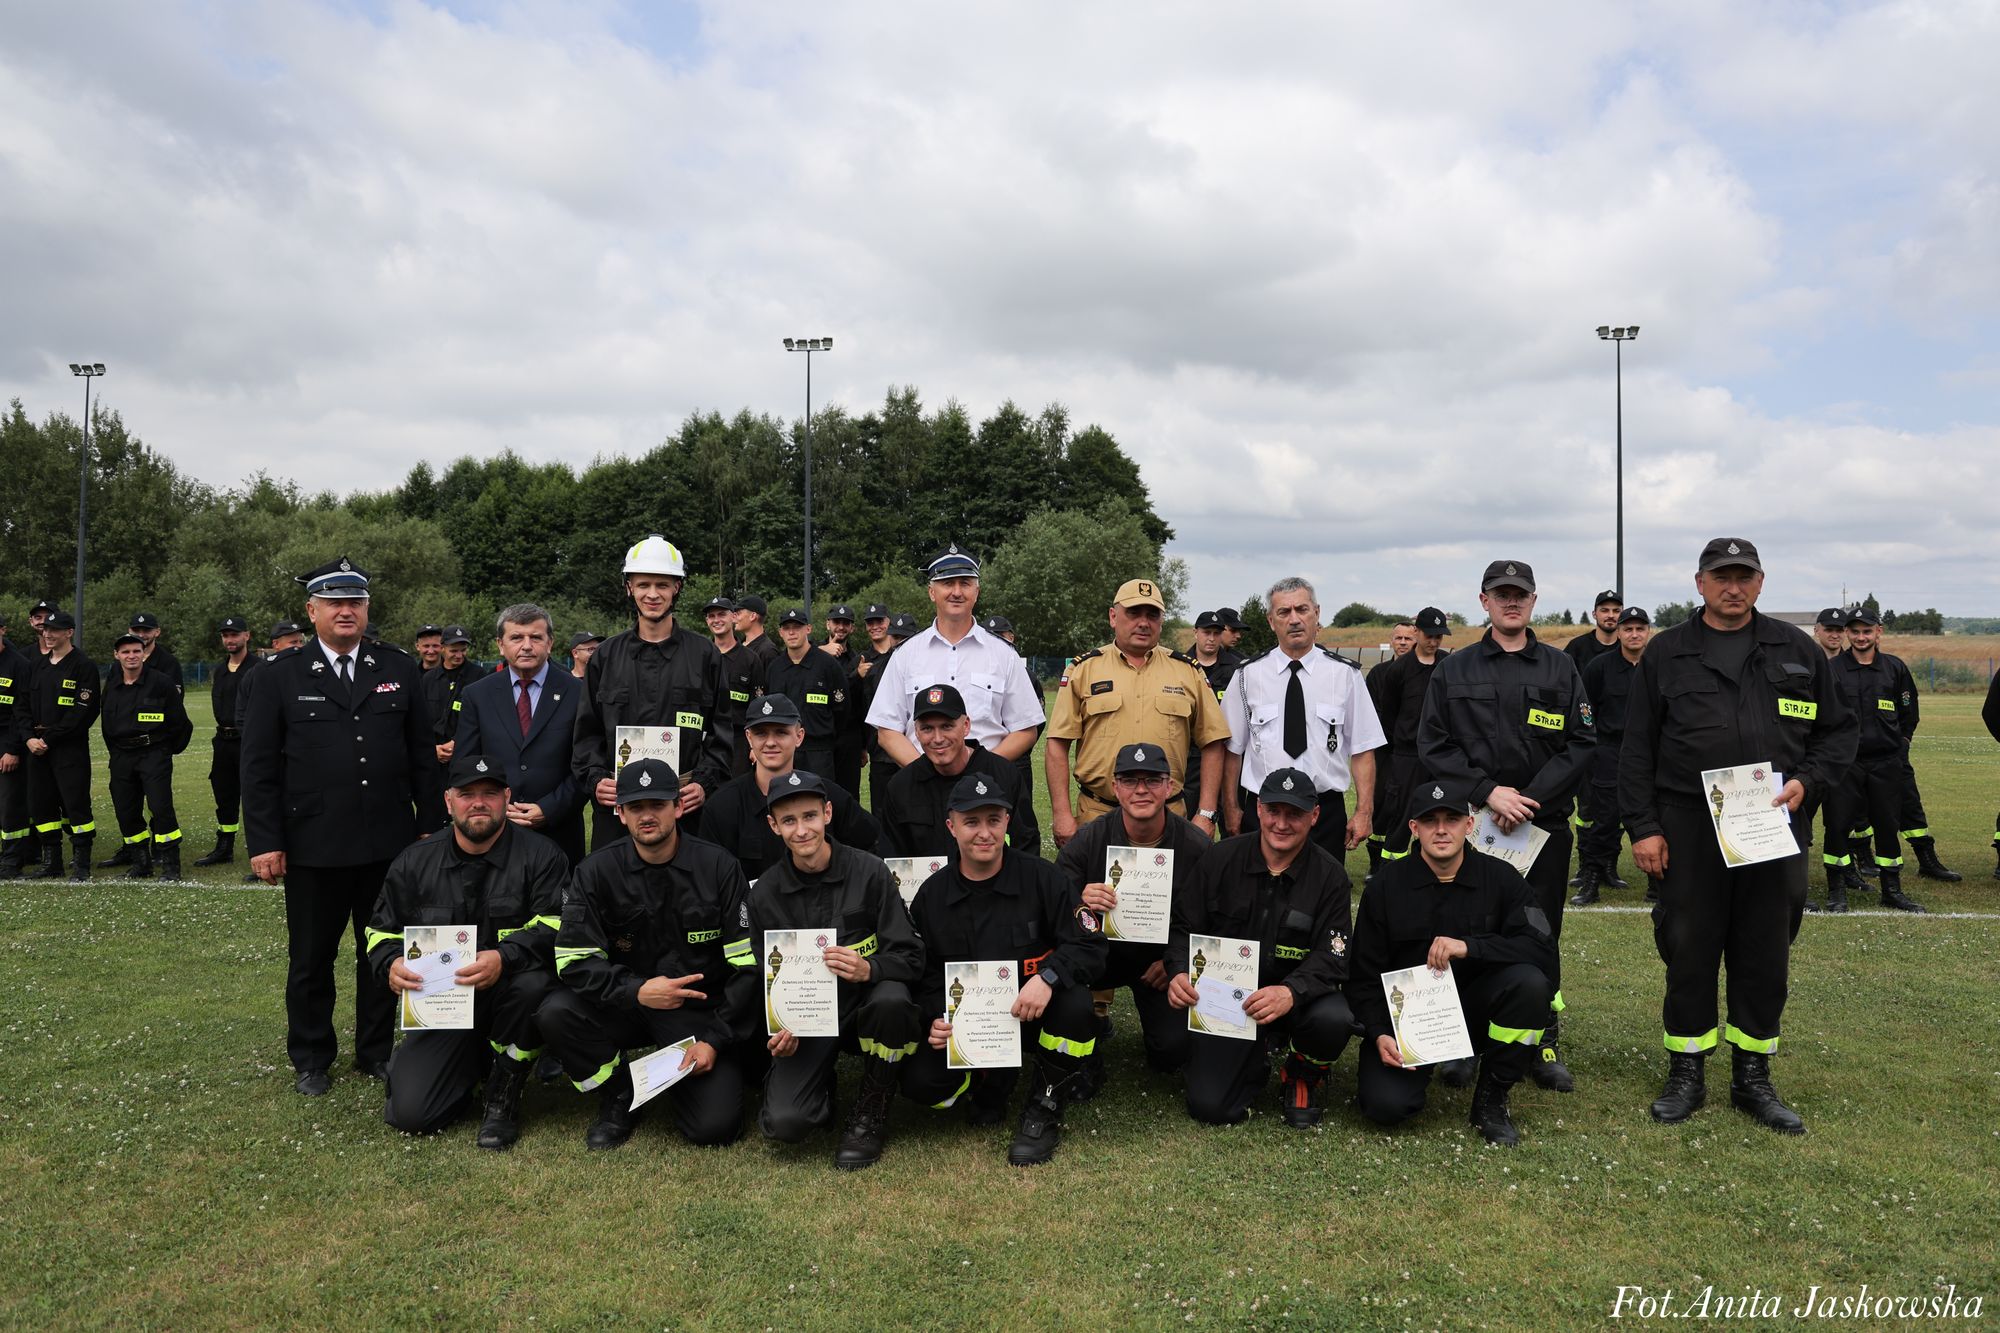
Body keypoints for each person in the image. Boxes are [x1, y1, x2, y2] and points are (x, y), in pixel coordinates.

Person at [1621, 538, 1856, 1135]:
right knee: (1689, 947)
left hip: (1773, 822)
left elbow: (1836, 734)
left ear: (1760, 582)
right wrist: (1644, 828)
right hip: (1688, 824)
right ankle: (1687, 1071)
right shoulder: (1667, 653)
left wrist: (1809, 780)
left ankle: (1753, 1077)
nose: (1733, 586)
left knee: (1764, 951)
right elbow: (1636, 749)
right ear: (1699, 583)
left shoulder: (1797, 650)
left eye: (1743, 577)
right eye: (1721, 576)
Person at [241, 556, 434, 1096]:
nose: (345, 611)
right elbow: (257, 767)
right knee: (310, 958)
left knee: (382, 951)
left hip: (387, 841)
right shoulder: (278, 674)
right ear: (312, 611)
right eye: (333, 603)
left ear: (367, 609)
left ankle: (374, 1052)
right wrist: (265, 842)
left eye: (355, 602)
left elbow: (422, 755)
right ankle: (310, 1057)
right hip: (313, 845)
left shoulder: (397, 667)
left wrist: (428, 827)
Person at [1417, 559, 1595, 1093]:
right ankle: (1464, 1040)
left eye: (1520, 594)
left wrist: (1530, 799)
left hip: (1541, 831)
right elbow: (1434, 743)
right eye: (1501, 593)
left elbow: (1582, 744)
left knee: (1539, 934)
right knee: (1468, 930)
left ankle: (1541, 1040)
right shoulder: (1455, 669)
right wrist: (1486, 792)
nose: (1511, 601)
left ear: (1534, 601)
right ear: (1484, 601)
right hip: (1474, 826)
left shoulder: (1561, 670)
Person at [540, 757, 755, 1150]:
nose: (647, 816)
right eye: (636, 807)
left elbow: (747, 968)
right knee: (556, 1012)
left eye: (657, 804)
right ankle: (621, 1093)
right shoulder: (594, 872)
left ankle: (680, 1076)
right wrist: (636, 990)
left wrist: (714, 1041)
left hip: (698, 1012)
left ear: (678, 806)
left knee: (714, 1128)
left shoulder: (720, 867)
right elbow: (573, 960)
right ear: (619, 813)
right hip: (626, 1005)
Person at [898, 774, 1105, 1166]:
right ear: (951, 826)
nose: (984, 833)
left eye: (993, 819)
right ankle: (987, 1080)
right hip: (969, 1024)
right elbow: (922, 973)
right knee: (922, 1085)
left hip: (1034, 1013)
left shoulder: (1044, 878)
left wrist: (1048, 978)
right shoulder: (932, 896)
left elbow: (1090, 945)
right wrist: (935, 1017)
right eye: (971, 822)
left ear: (1008, 822)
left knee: (1076, 1004)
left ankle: (1045, 1103)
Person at [364, 753, 569, 1147]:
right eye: (466, 793)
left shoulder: (542, 856)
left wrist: (503, 958)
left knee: (534, 987)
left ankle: (503, 1089)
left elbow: (558, 925)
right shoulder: (414, 862)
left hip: (512, 997)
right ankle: (468, 1065)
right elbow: (379, 932)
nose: (478, 802)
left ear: (507, 798)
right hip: (444, 1004)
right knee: (413, 1114)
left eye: (490, 793)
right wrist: (391, 963)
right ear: (448, 801)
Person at [1349, 777, 1558, 1146]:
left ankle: (1492, 1096)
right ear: (1414, 828)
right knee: (1387, 1107)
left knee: (1530, 984)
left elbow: (1541, 951)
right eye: (1430, 821)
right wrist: (1380, 1031)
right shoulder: (1385, 887)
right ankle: (1418, 1069)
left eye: (1451, 819)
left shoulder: (1503, 879)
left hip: (1478, 1014)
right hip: (1410, 1023)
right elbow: (1363, 973)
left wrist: (1471, 947)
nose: (1441, 830)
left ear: (1470, 824)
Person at [745, 770, 924, 1168]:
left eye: (809, 816)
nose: (802, 829)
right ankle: (816, 1088)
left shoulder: (871, 872)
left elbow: (911, 956)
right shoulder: (763, 895)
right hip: (806, 1020)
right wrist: (779, 1026)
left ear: (827, 813)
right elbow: (762, 978)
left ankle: (871, 1109)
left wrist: (870, 969)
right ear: (774, 826)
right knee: (786, 1124)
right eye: (789, 821)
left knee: (893, 1000)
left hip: (866, 1006)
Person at [1166, 767, 1355, 1128]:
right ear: (1259, 810)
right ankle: (1251, 1056)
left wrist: (1290, 991)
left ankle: (1302, 1074)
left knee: (1334, 1018)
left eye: (1295, 814)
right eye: (1273, 811)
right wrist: (1177, 969)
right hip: (1230, 1002)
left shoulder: (1330, 878)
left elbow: (1333, 957)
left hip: (1294, 999)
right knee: (1212, 1108)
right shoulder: (1220, 859)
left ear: (1314, 816)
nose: (1281, 823)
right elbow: (1183, 927)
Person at [1056, 743, 1208, 1091]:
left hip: (1157, 966)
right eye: (1130, 780)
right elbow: (1051, 899)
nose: (1141, 790)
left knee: (1172, 1052)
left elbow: (1213, 917)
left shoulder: (1195, 847)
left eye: (1152, 780)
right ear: (1115, 787)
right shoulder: (1089, 839)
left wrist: (1176, 962)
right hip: (1099, 956)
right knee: (1069, 999)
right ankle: (1087, 1032)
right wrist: (1079, 899)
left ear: (1169, 787)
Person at [570, 535, 734, 848]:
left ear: (677, 588)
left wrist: (704, 782)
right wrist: (594, 780)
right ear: (628, 587)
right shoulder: (604, 657)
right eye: (643, 584)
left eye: (662, 584)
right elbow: (586, 733)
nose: (653, 594)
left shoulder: (705, 656)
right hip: (618, 813)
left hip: (685, 811)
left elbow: (721, 733)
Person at [1047, 578, 1229, 850]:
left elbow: (1213, 743)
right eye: (1134, 613)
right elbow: (1057, 744)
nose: (1144, 622)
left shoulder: (1186, 672)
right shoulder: (1084, 670)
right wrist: (1061, 814)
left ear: (1161, 621)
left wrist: (1205, 813)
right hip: (1098, 814)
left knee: (1174, 893)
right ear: (1113, 616)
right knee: (1096, 893)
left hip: (1169, 818)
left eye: (1152, 615)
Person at [1220, 577, 1384, 856]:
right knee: (1257, 894)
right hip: (1264, 811)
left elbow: (1363, 748)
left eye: (1302, 609)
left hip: (1323, 811)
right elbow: (1232, 751)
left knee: (1321, 895)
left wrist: (1364, 811)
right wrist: (1231, 808)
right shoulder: (1247, 675)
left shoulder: (1345, 675)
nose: (1294, 619)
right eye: (1284, 612)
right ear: (1271, 621)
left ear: (1317, 614)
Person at [864, 544, 1045, 783]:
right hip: (922, 787)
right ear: (931, 592)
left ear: (977, 592)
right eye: (948, 583)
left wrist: (982, 771)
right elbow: (887, 731)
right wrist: (926, 772)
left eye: (965, 583)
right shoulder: (906, 654)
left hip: (987, 787)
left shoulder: (1003, 654)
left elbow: (1025, 729)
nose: (957, 592)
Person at [454, 604, 588, 866]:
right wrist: (498, 808)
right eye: (516, 637)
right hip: (495, 832)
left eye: (535, 637)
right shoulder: (477, 695)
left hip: (560, 834)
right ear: (500, 645)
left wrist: (549, 809)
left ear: (550, 643)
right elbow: (465, 764)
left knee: (557, 907)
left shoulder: (578, 693)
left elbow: (586, 763)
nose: (526, 646)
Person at [701, 694, 881, 879]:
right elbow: (711, 878)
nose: (770, 742)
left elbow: (875, 845)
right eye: (761, 733)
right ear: (749, 737)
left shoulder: (830, 796)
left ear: (799, 736)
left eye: (781, 732)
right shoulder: (723, 807)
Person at [1828, 608, 1931, 912]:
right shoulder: (1833, 670)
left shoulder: (1894, 668)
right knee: (1837, 825)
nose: (1861, 637)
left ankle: (1892, 889)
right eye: (1855, 631)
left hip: (1886, 763)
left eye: (1867, 631)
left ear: (1878, 632)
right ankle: (1837, 890)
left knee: (1887, 826)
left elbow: (1909, 714)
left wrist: (1902, 747)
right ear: (1847, 633)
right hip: (1845, 764)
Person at [878, 684, 1036, 857]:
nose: (937, 739)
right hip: (925, 884)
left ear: (966, 726)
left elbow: (1026, 846)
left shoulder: (1003, 776)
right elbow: (892, 858)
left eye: (947, 726)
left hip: (996, 883)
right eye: (927, 728)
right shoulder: (901, 786)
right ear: (916, 732)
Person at [1571, 606, 1651, 905]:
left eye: (1639, 628)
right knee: (1604, 821)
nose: (1633, 634)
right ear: (1618, 632)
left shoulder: (1657, 666)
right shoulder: (1599, 667)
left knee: (1653, 819)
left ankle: (1657, 884)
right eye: (1627, 628)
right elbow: (1584, 710)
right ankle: (1591, 880)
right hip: (1608, 752)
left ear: (1648, 632)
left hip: (1647, 754)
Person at [99, 630, 194, 880]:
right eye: (126, 652)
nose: (131, 656)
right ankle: (141, 863)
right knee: (125, 810)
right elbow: (107, 723)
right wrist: (116, 753)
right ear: (117, 655)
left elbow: (180, 723)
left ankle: (171, 866)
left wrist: (165, 751)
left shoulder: (161, 682)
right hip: (122, 755)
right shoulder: (113, 684)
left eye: (136, 651)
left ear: (144, 653)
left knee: (160, 808)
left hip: (154, 753)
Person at [1364, 605, 1450, 875]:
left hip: (1440, 755)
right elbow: (1389, 714)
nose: (1434, 642)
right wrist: (1401, 744)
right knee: (1400, 815)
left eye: (1439, 636)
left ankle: (1435, 868)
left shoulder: (1448, 666)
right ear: (1417, 632)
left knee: (1441, 812)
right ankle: (1390, 871)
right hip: (1406, 756)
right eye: (1429, 635)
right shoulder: (1399, 670)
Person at [23, 610, 99, 881]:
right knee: (41, 805)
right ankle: (51, 861)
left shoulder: (83, 666)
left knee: (75, 804)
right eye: (45, 629)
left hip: (68, 748)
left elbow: (82, 712)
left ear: (69, 632)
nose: (48, 633)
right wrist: (28, 738)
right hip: (36, 748)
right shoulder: (37, 666)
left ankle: (81, 864)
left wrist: (49, 738)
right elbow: (22, 707)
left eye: (54, 629)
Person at [188, 615, 261, 868]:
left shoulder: (258, 668)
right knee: (224, 795)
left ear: (246, 636)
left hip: (248, 741)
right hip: (223, 740)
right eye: (226, 635)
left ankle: (259, 848)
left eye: (235, 634)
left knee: (255, 796)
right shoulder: (219, 670)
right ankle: (224, 846)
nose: (230, 639)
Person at [764, 608, 849, 777]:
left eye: (797, 627)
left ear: (808, 629)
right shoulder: (774, 668)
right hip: (781, 751)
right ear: (781, 632)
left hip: (818, 751)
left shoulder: (828, 665)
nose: (792, 632)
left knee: (817, 801)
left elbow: (842, 710)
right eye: (787, 628)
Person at [418, 625, 478, 831]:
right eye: (454, 650)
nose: (459, 655)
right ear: (443, 649)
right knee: (434, 813)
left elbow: (482, 719)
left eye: (463, 650)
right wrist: (433, 748)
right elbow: (420, 720)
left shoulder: (478, 676)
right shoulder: (428, 680)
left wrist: (458, 743)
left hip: (466, 756)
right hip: (435, 760)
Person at [0, 615, 32, 878]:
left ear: (2, 630)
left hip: (7, 740)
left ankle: (12, 861)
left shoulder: (19, 664)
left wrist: (12, 748)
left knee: (10, 803)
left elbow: (20, 712)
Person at [1564, 591, 1622, 670]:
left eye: (1616, 611)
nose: (1611, 615)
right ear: (1594, 614)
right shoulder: (1577, 647)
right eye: (1604, 610)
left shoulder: (1627, 648)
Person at [128, 611, 184, 691]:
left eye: (146, 631)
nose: (141, 635)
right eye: (136, 631)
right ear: (129, 631)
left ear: (157, 632)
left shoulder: (169, 662)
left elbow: (174, 698)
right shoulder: (122, 660)